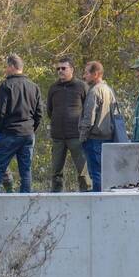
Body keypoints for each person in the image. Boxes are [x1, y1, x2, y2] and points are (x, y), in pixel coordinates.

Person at [0, 54, 42, 194]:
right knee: (26, 170)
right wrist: (31, 128)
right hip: (28, 133)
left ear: (12, 66)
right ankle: (25, 203)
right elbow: (39, 113)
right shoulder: (34, 87)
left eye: (6, 66)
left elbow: (1, 112)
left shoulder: (6, 85)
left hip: (10, 133)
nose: (5, 70)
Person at [45, 56, 91, 192]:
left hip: (77, 136)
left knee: (83, 171)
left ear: (72, 69)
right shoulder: (53, 88)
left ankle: (86, 196)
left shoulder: (82, 86)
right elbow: (49, 111)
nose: (60, 71)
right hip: (58, 137)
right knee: (56, 172)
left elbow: (88, 110)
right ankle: (56, 199)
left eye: (63, 68)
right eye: (58, 68)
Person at [78, 61, 115, 192]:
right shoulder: (108, 90)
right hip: (107, 137)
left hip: (94, 138)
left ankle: (98, 203)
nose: (84, 76)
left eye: (87, 73)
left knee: (96, 174)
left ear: (96, 74)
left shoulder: (94, 91)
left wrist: (82, 137)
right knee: (104, 173)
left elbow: (89, 118)